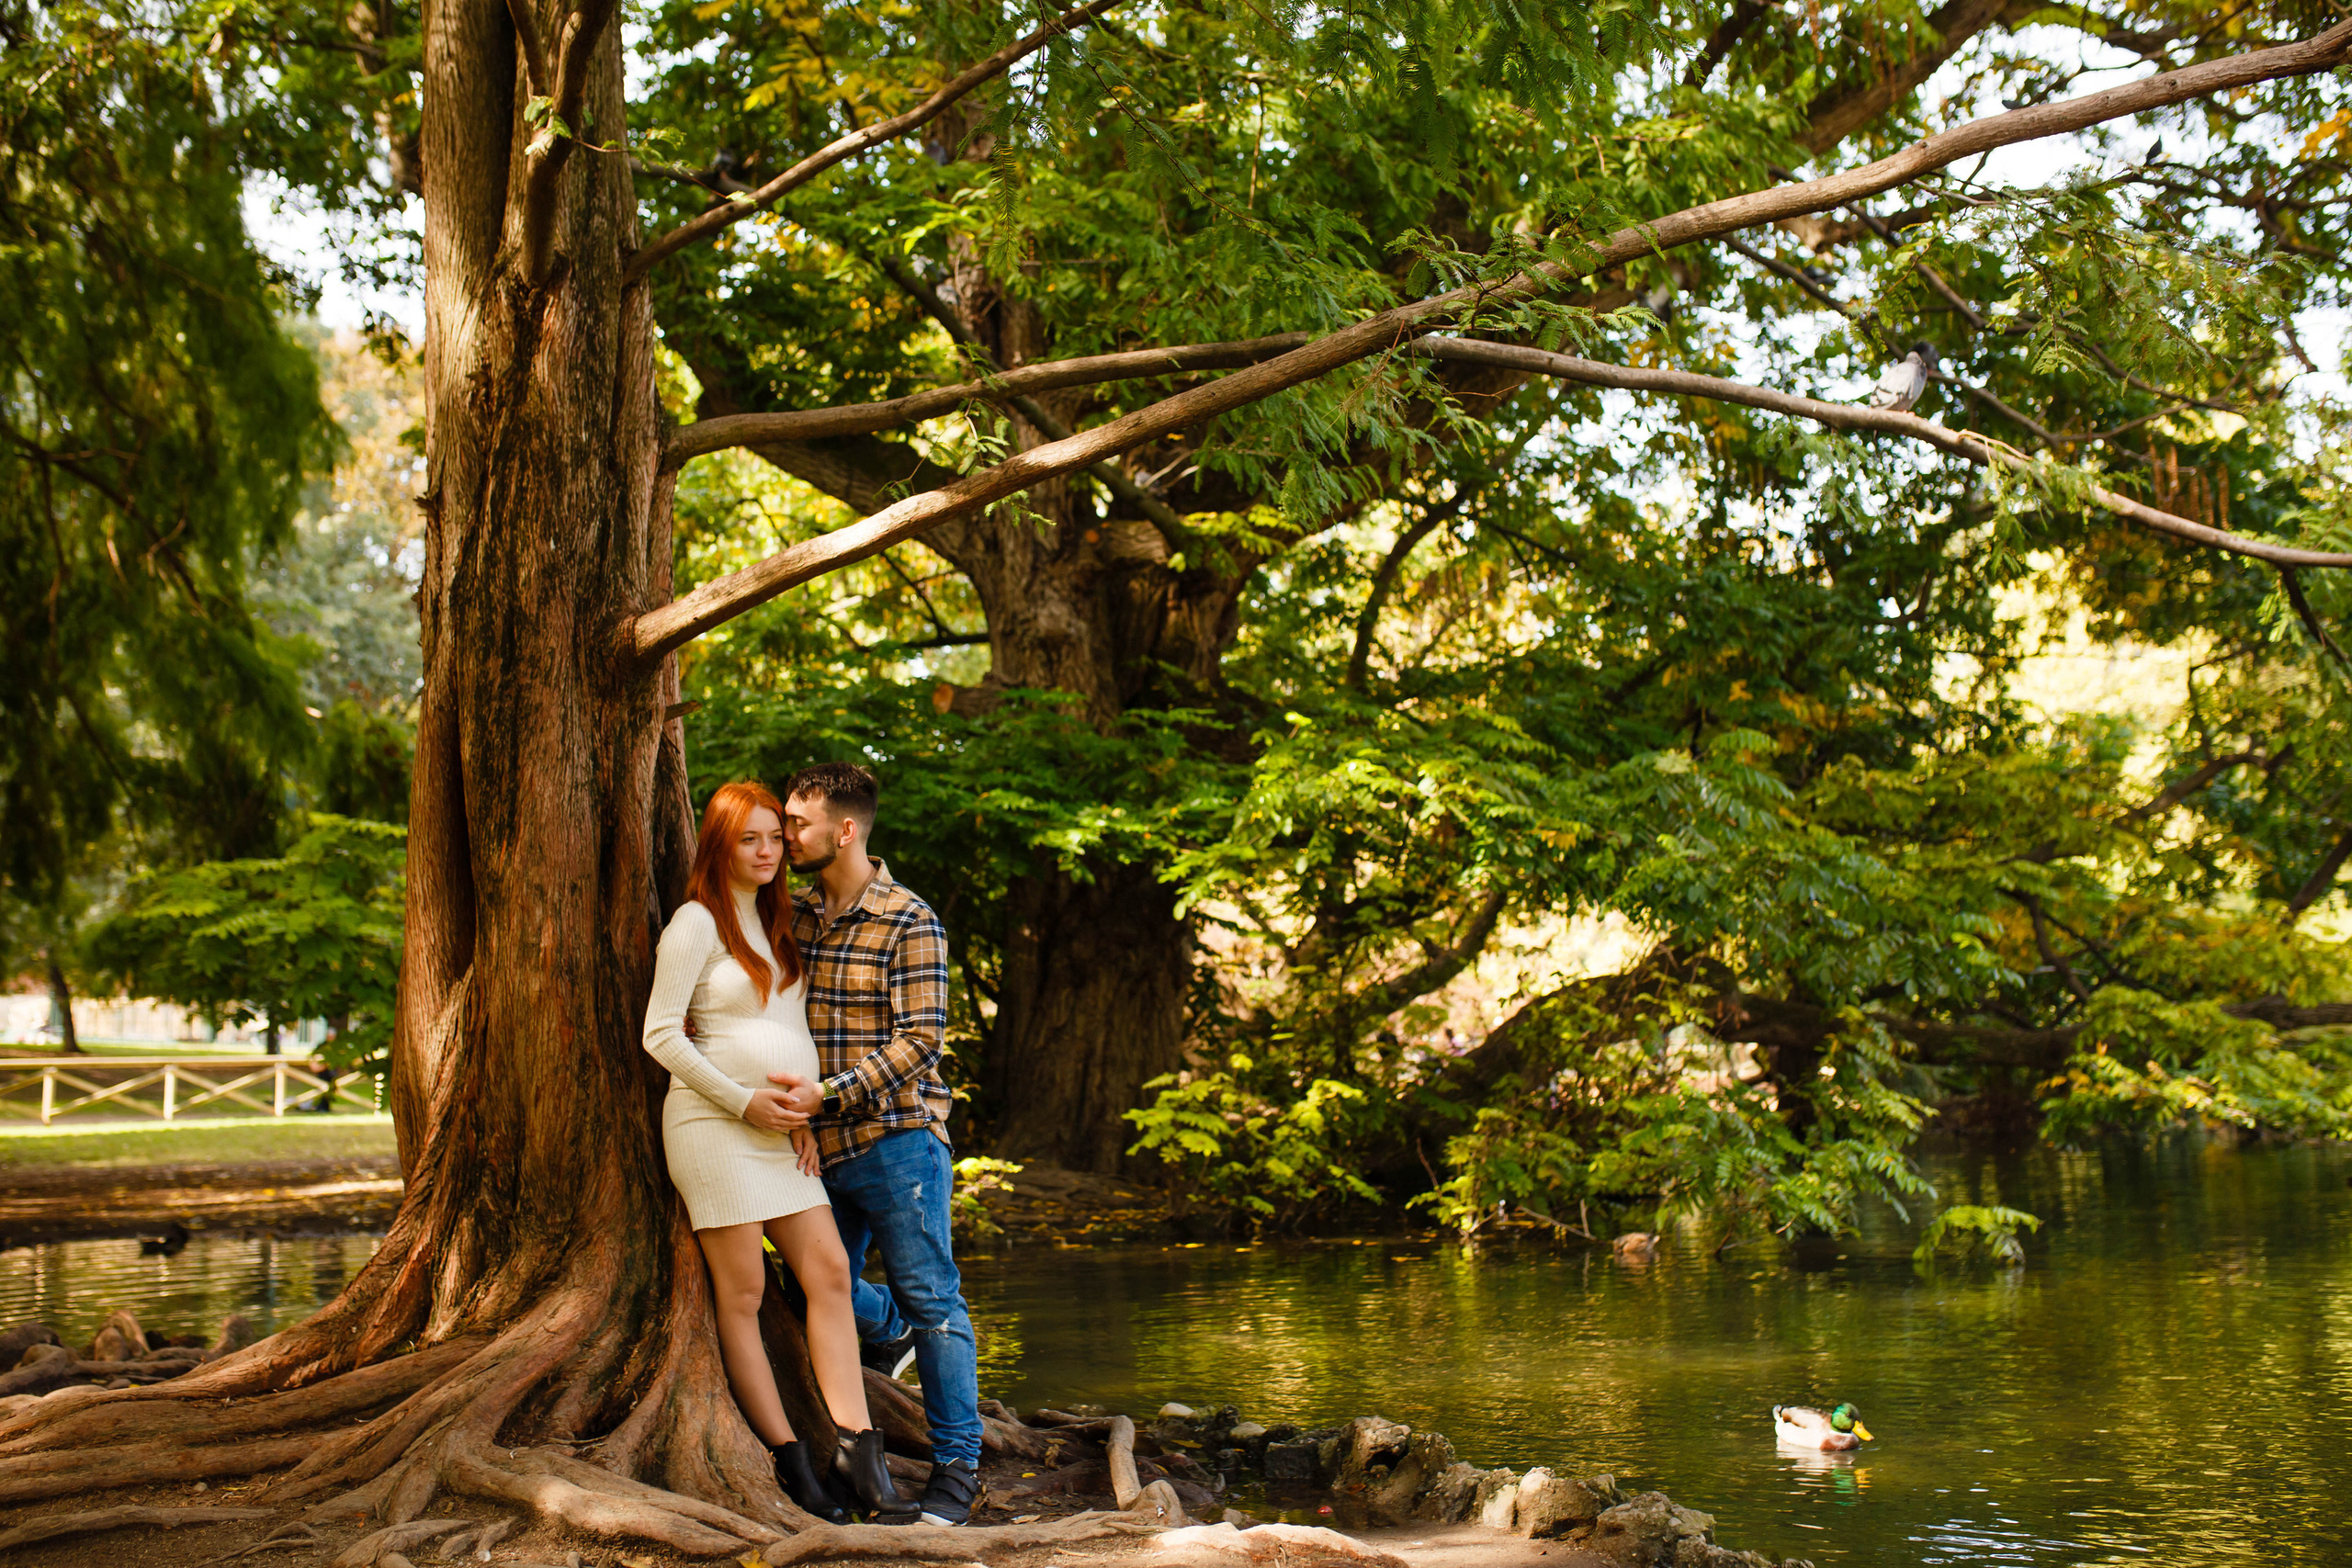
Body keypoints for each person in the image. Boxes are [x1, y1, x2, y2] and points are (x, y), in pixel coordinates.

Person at [641, 780, 912, 1525]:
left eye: (774, 837)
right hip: (713, 1128)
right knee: (745, 1297)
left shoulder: (776, 919)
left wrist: (799, 1115)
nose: (768, 851)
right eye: (749, 840)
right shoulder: (696, 923)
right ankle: (792, 1463)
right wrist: (743, 1099)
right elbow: (660, 1034)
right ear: (719, 845)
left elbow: (785, 1029)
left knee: (828, 1272)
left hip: (780, 1133)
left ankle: (859, 1447)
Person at [772, 761, 986, 1528]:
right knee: (806, 1293)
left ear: (846, 827)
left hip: (897, 1142)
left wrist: (829, 1093)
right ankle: (881, 1330)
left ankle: (959, 1469)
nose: (788, 833)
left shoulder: (908, 918)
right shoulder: (790, 915)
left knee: (934, 1302)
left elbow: (922, 1039)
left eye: (798, 821)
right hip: (810, 1152)